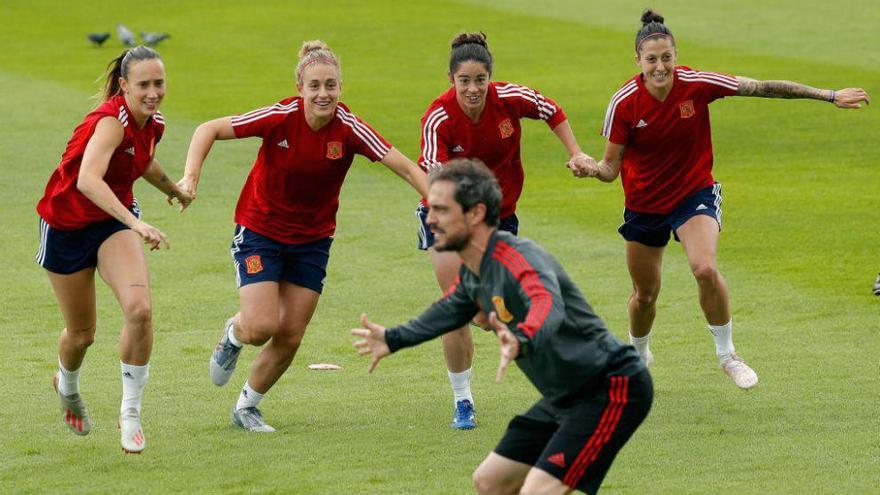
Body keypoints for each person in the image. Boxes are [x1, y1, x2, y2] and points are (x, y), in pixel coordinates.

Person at [570, 10, 871, 389]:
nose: (660, 66)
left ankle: (728, 355)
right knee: (645, 296)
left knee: (705, 269)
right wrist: (589, 168)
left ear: (675, 55)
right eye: (652, 59)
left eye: (666, 57)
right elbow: (610, 169)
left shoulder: (697, 84)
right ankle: (638, 353)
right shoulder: (624, 103)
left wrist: (828, 95)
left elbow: (763, 87)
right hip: (644, 204)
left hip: (693, 193)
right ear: (638, 61)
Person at [353, 159, 652, 495]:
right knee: (490, 480)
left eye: (440, 210)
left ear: (476, 213)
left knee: (538, 491)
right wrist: (392, 338)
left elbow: (545, 301)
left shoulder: (518, 256)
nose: (430, 218)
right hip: (565, 395)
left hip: (610, 387)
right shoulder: (473, 272)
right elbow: (447, 311)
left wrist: (523, 336)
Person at [178, 40, 429, 432]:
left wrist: (442, 203)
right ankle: (233, 334)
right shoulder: (280, 117)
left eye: (331, 85)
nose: (323, 94)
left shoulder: (349, 128)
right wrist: (190, 178)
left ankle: (247, 407)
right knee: (260, 327)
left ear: (340, 88)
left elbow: (409, 169)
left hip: (312, 241)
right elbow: (207, 129)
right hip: (260, 230)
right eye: (314, 86)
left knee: (291, 334)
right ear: (300, 89)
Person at [417, 32, 594, 429]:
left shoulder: (511, 98)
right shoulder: (439, 118)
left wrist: (575, 153)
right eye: (464, 81)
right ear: (451, 79)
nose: (473, 88)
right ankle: (463, 400)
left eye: (480, 79)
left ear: (490, 78)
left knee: (503, 309)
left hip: (499, 218)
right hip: (447, 218)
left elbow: (552, 110)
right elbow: (432, 175)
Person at [36, 46, 191, 453]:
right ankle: (66, 386)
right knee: (82, 334)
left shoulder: (153, 123)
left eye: (159, 83)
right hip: (66, 226)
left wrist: (172, 189)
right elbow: (88, 180)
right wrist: (138, 222)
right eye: (144, 84)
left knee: (140, 310)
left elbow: (142, 163)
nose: (153, 92)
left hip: (110, 222)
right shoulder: (110, 122)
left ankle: (131, 412)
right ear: (124, 86)